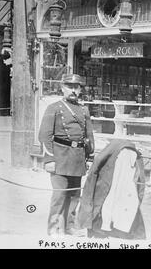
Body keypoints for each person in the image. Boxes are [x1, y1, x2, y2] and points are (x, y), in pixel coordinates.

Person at [38, 73, 95, 236]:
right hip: (60, 157)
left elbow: (89, 135)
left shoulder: (84, 110)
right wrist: (49, 159)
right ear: (62, 88)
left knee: (75, 194)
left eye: (76, 87)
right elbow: (44, 135)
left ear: (80, 90)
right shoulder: (54, 108)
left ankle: (70, 226)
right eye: (69, 87)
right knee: (59, 194)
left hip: (78, 157)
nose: (73, 90)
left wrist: (90, 157)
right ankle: (54, 228)